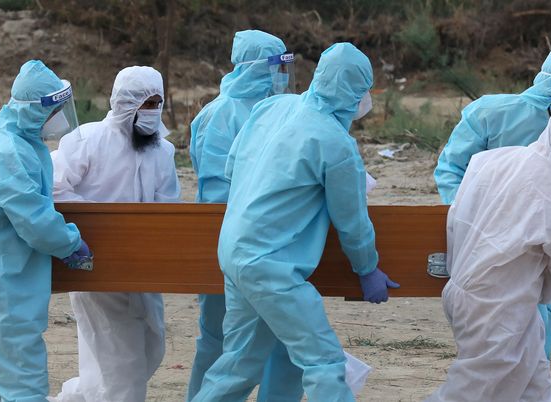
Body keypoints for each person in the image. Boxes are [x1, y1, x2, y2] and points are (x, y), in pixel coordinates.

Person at [192, 43, 399, 402]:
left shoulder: (274, 106)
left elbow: (232, 166)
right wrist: (367, 268)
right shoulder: (335, 143)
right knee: (323, 363)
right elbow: (352, 220)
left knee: (238, 364)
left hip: (234, 253)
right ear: (356, 91)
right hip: (273, 267)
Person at [426, 103, 551, 402]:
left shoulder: (492, 159)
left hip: (468, 290)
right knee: (469, 392)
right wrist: (539, 294)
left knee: (534, 386)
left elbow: (458, 218)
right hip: (499, 307)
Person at [433, 46, 551, 359]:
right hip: (482, 241)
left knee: (534, 337)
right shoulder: (490, 113)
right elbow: (451, 169)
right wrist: (472, 212)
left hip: (533, 244)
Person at [0, 60, 91, 402]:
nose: (58, 118)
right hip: (0, 290)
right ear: (33, 111)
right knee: (25, 387)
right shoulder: (9, 153)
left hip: (1, 285)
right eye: (53, 110)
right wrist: (71, 244)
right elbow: (35, 220)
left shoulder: (21, 142)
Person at [49, 66, 181, 402]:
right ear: (125, 103)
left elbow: (168, 207)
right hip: (96, 264)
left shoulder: (162, 152)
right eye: (146, 104)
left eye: (157, 103)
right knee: (123, 362)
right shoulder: (87, 140)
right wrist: (103, 220)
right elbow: (54, 187)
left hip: (142, 268)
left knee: (150, 347)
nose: (152, 112)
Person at [187, 29, 303, 402]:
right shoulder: (220, 115)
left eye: (286, 65)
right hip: (229, 240)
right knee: (220, 339)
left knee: (284, 340)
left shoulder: (278, 109)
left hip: (272, 243)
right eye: (276, 65)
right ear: (254, 67)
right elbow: (216, 192)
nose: (282, 75)